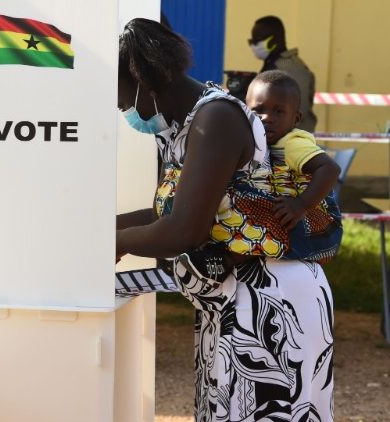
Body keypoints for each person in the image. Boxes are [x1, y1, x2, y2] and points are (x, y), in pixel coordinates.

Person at [116, 19, 336, 421]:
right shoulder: (189, 123)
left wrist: (115, 242)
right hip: (237, 297)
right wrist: (103, 229)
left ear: (140, 78)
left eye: (122, 100)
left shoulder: (214, 119)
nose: (124, 111)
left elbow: (185, 229)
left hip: (271, 304)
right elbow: (180, 210)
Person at [180, 70, 342, 282]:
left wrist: (300, 204)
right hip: (291, 221)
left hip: (314, 226)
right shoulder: (258, 142)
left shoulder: (293, 143)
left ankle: (224, 262)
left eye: (278, 111)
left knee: (254, 210)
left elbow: (330, 169)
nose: (267, 118)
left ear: (296, 119)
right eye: (258, 111)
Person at [249, 15, 317, 132]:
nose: (253, 45)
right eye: (251, 41)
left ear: (274, 40)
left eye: (257, 40)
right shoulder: (273, 64)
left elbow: (300, 109)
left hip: (293, 140)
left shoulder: (291, 69)